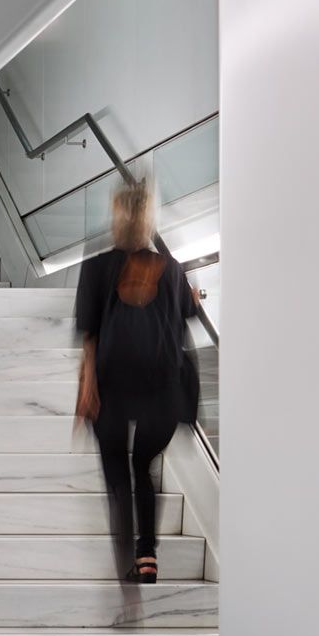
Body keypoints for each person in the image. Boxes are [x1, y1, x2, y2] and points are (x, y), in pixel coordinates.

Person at [75, 174, 199, 594]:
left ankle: (127, 577)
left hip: (111, 387)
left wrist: (86, 390)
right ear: (150, 218)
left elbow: (89, 335)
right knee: (142, 468)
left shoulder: (95, 269)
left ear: (116, 215)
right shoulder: (173, 270)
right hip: (162, 392)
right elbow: (186, 316)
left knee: (117, 478)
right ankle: (147, 556)